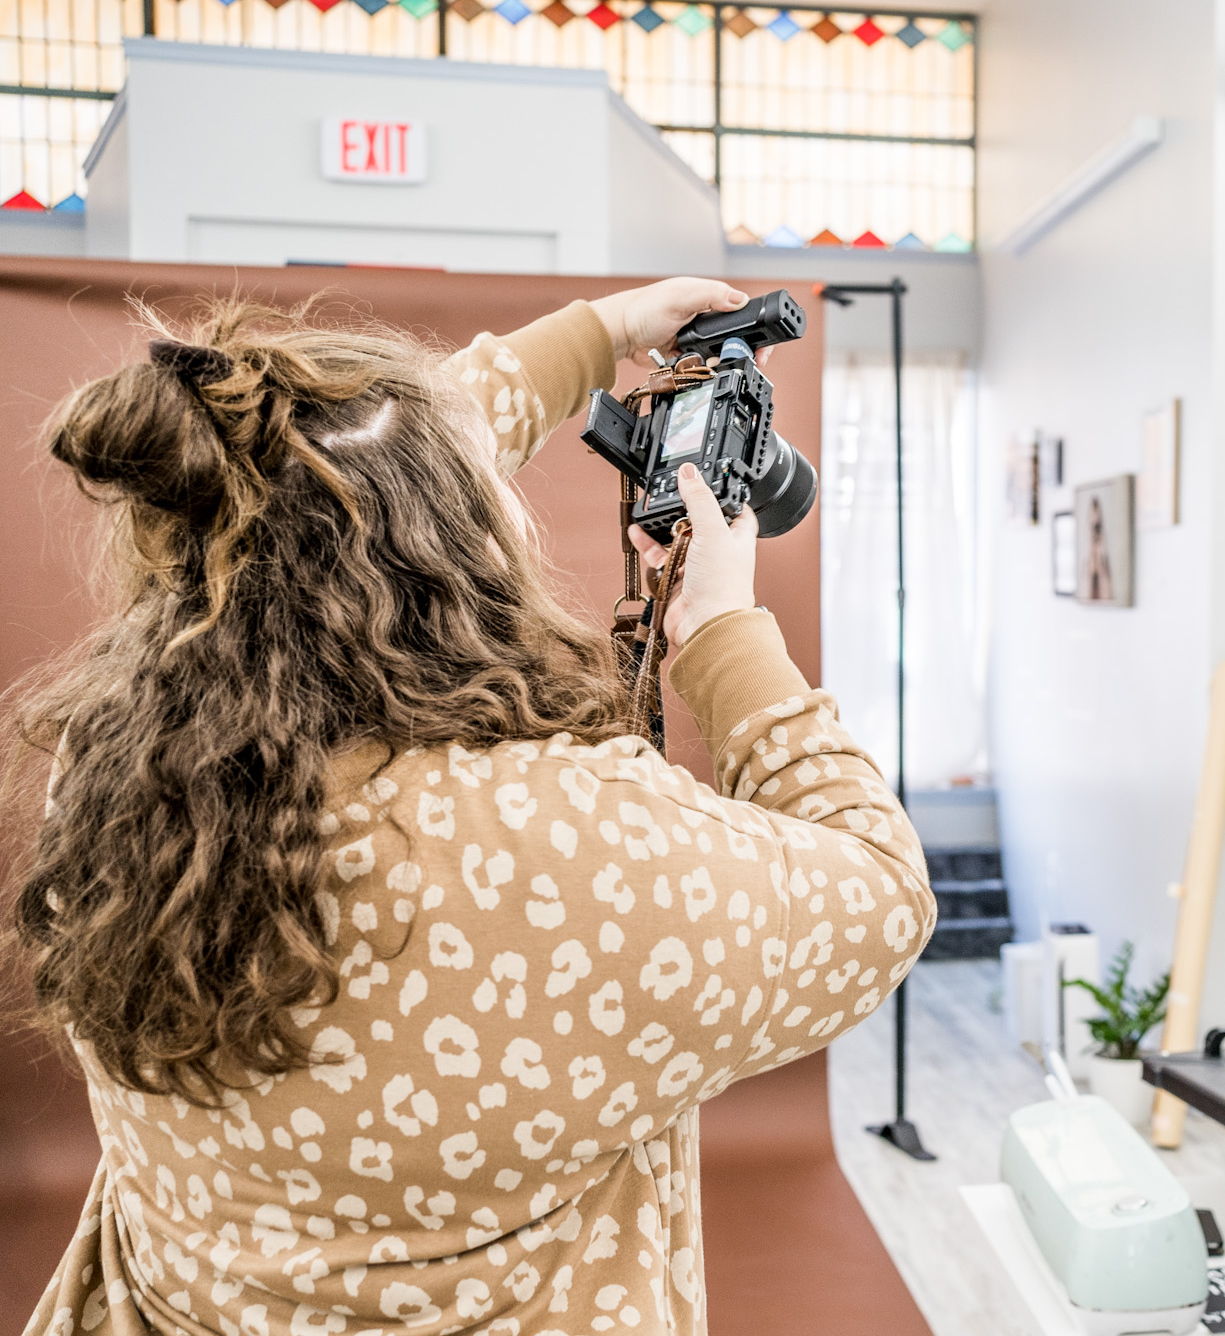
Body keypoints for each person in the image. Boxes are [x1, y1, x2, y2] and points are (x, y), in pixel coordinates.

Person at [7, 279, 935, 1336]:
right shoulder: (572, 845)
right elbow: (880, 888)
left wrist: (599, 335)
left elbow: (325, 470)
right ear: (453, 554)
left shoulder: (113, 770)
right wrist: (723, 634)